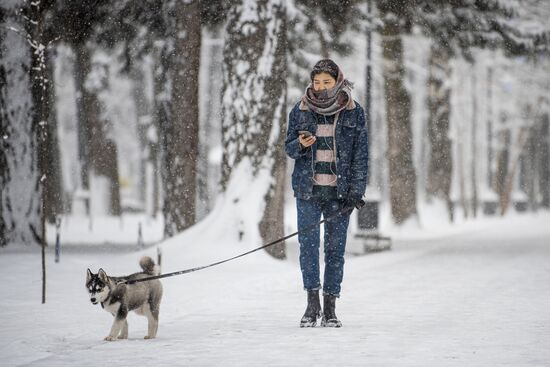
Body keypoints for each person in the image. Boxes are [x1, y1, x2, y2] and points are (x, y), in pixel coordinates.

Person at [285, 59, 368, 328]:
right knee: (308, 250)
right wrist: (300, 144)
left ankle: (330, 308)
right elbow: (289, 148)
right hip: (307, 191)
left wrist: (356, 190)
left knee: (335, 251)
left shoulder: (354, 113)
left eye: (326, 82)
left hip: (340, 194)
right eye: (316, 81)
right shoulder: (300, 110)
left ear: (338, 82)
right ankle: (312, 305)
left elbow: (360, 155)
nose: (320, 87)